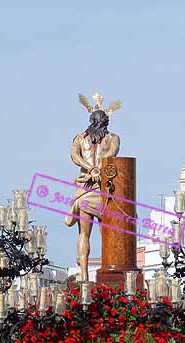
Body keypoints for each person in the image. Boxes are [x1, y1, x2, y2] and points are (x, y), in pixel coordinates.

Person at [66, 96, 121, 282]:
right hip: (104, 190)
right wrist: (96, 169)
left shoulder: (80, 138)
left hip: (85, 190)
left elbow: (74, 155)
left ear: (91, 121)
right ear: (106, 121)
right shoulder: (113, 138)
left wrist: (89, 168)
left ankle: (83, 276)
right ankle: (107, 272)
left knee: (84, 233)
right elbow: (111, 155)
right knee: (108, 233)